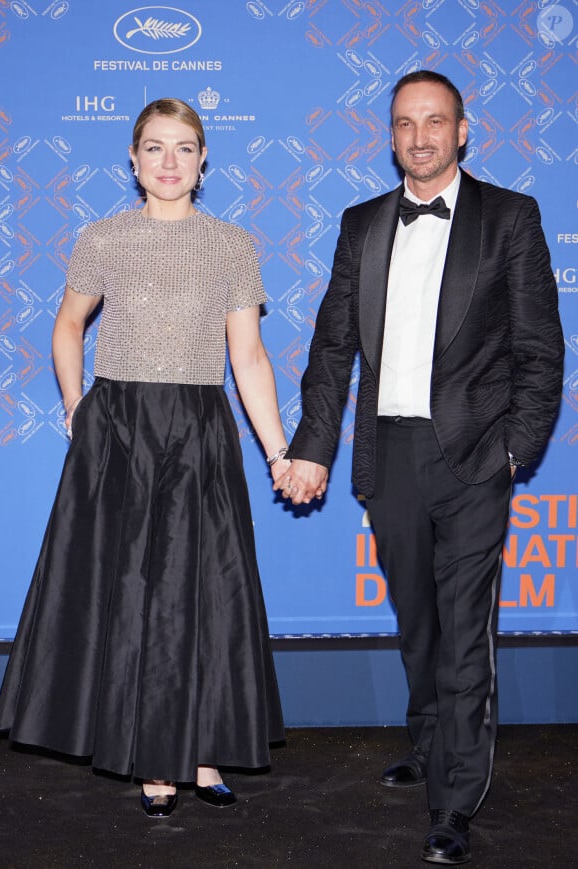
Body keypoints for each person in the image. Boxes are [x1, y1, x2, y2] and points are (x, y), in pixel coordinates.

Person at [277, 70, 564, 864]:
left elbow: (541, 350)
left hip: (474, 454)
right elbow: (333, 348)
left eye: (435, 121)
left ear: (463, 130)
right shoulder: (362, 223)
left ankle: (454, 797)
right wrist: (313, 444)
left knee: (464, 629)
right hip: (390, 451)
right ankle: (430, 739)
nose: (421, 136)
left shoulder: (509, 216)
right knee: (418, 620)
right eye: (405, 122)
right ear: (391, 132)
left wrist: (515, 450)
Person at [0, 98, 288, 818]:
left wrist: (279, 450)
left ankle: (202, 751)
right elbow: (67, 327)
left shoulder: (231, 244)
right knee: (130, 589)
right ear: (132, 159)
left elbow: (247, 356)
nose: (168, 162)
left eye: (184, 148)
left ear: (203, 161)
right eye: (154, 148)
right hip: (120, 429)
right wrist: (77, 405)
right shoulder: (103, 239)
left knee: (205, 593)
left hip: (198, 427)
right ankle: (149, 760)